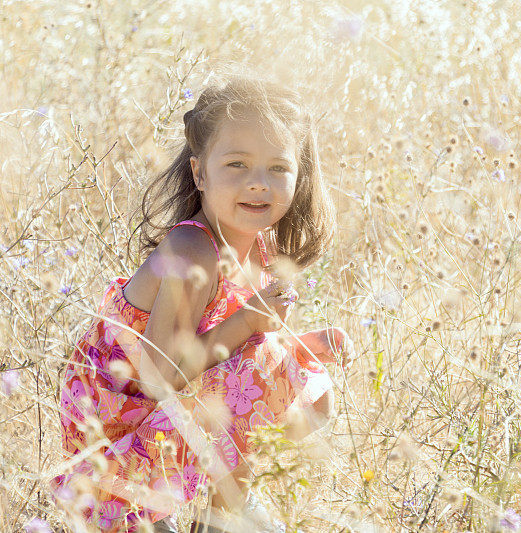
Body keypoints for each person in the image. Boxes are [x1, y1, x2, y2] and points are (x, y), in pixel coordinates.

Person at [48, 75, 353, 533]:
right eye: (237, 164)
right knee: (263, 367)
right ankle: (211, 514)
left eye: (277, 168)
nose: (258, 184)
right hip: (114, 430)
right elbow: (157, 376)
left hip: (164, 416)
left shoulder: (260, 246)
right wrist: (252, 322)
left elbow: (234, 345)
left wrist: (302, 342)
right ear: (199, 173)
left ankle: (225, 506)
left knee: (303, 376)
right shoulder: (192, 251)